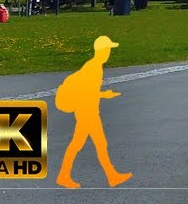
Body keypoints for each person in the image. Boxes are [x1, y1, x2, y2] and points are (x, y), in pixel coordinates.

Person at [54, 36, 133, 188]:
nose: (109, 52)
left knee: (81, 144)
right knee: (95, 143)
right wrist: (104, 95)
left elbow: (90, 91)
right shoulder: (94, 68)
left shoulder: (94, 66)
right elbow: (88, 92)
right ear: (102, 51)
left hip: (86, 110)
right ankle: (110, 176)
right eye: (108, 49)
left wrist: (103, 94)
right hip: (87, 112)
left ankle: (109, 175)